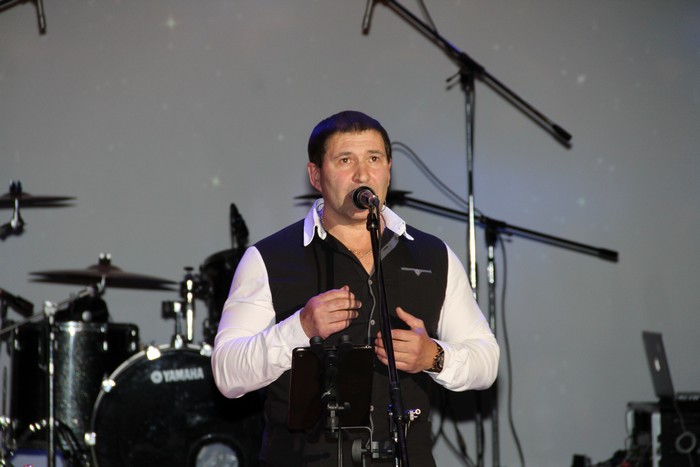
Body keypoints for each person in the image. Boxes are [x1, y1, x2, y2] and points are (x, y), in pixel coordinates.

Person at [212, 110, 499, 466]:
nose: (363, 174)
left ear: (389, 170)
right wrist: (299, 328)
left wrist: (433, 357)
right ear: (316, 175)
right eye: (345, 160)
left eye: (374, 159)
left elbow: (487, 361)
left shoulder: (434, 255)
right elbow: (227, 373)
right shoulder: (268, 258)